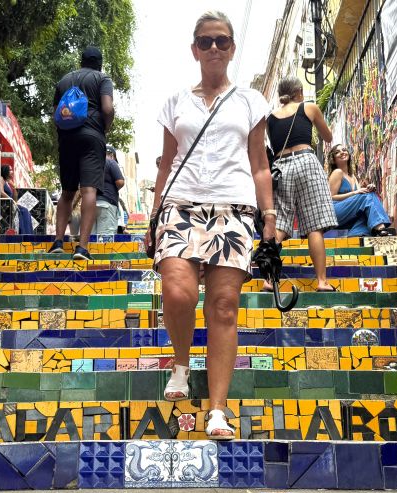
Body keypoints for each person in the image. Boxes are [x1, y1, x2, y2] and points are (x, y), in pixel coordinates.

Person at [147, 10, 277, 439]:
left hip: (234, 208)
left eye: (222, 41)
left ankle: (217, 409)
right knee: (177, 291)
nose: (214, 48)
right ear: (194, 49)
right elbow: (165, 164)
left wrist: (269, 215)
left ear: (232, 48)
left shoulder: (251, 101)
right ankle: (182, 363)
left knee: (223, 306)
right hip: (181, 205)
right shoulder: (176, 102)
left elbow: (259, 165)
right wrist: (154, 215)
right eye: (206, 41)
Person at [266, 77, 337, 291]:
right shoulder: (309, 107)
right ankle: (322, 281)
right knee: (315, 226)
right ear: (298, 92)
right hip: (306, 162)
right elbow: (328, 136)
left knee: (279, 225)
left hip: (281, 168)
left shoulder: (270, 118)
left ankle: (269, 279)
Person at [50, 46, 115, 260]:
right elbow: (107, 108)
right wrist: (105, 127)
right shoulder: (102, 79)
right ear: (100, 63)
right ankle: (82, 248)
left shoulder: (64, 80)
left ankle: (58, 242)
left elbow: (56, 113)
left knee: (67, 192)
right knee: (88, 191)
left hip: (67, 138)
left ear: (82, 61)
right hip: (92, 137)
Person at [327, 144, 395, 237]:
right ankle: (380, 228)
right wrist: (354, 192)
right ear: (333, 159)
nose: (342, 152)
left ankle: (357, 233)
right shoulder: (337, 172)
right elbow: (331, 197)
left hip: (348, 214)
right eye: (337, 152)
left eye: (344, 150)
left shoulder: (353, 177)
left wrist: (368, 188)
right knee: (366, 197)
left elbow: (361, 197)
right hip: (335, 212)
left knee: (368, 198)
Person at [95, 146, 125, 235]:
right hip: (107, 203)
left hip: (91, 204)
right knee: (106, 237)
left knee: (91, 238)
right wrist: (114, 189)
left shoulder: (92, 164)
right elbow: (120, 182)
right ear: (112, 155)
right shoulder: (111, 162)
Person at [0, 165, 33, 235]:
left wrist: (14, 186)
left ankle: (27, 234)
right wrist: (11, 200)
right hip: (5, 206)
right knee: (23, 211)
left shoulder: (8, 182)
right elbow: (1, 192)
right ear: (5, 171)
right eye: (10, 170)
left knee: (26, 211)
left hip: (11, 204)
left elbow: (15, 199)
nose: (12, 172)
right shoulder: (1, 179)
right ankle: (24, 234)